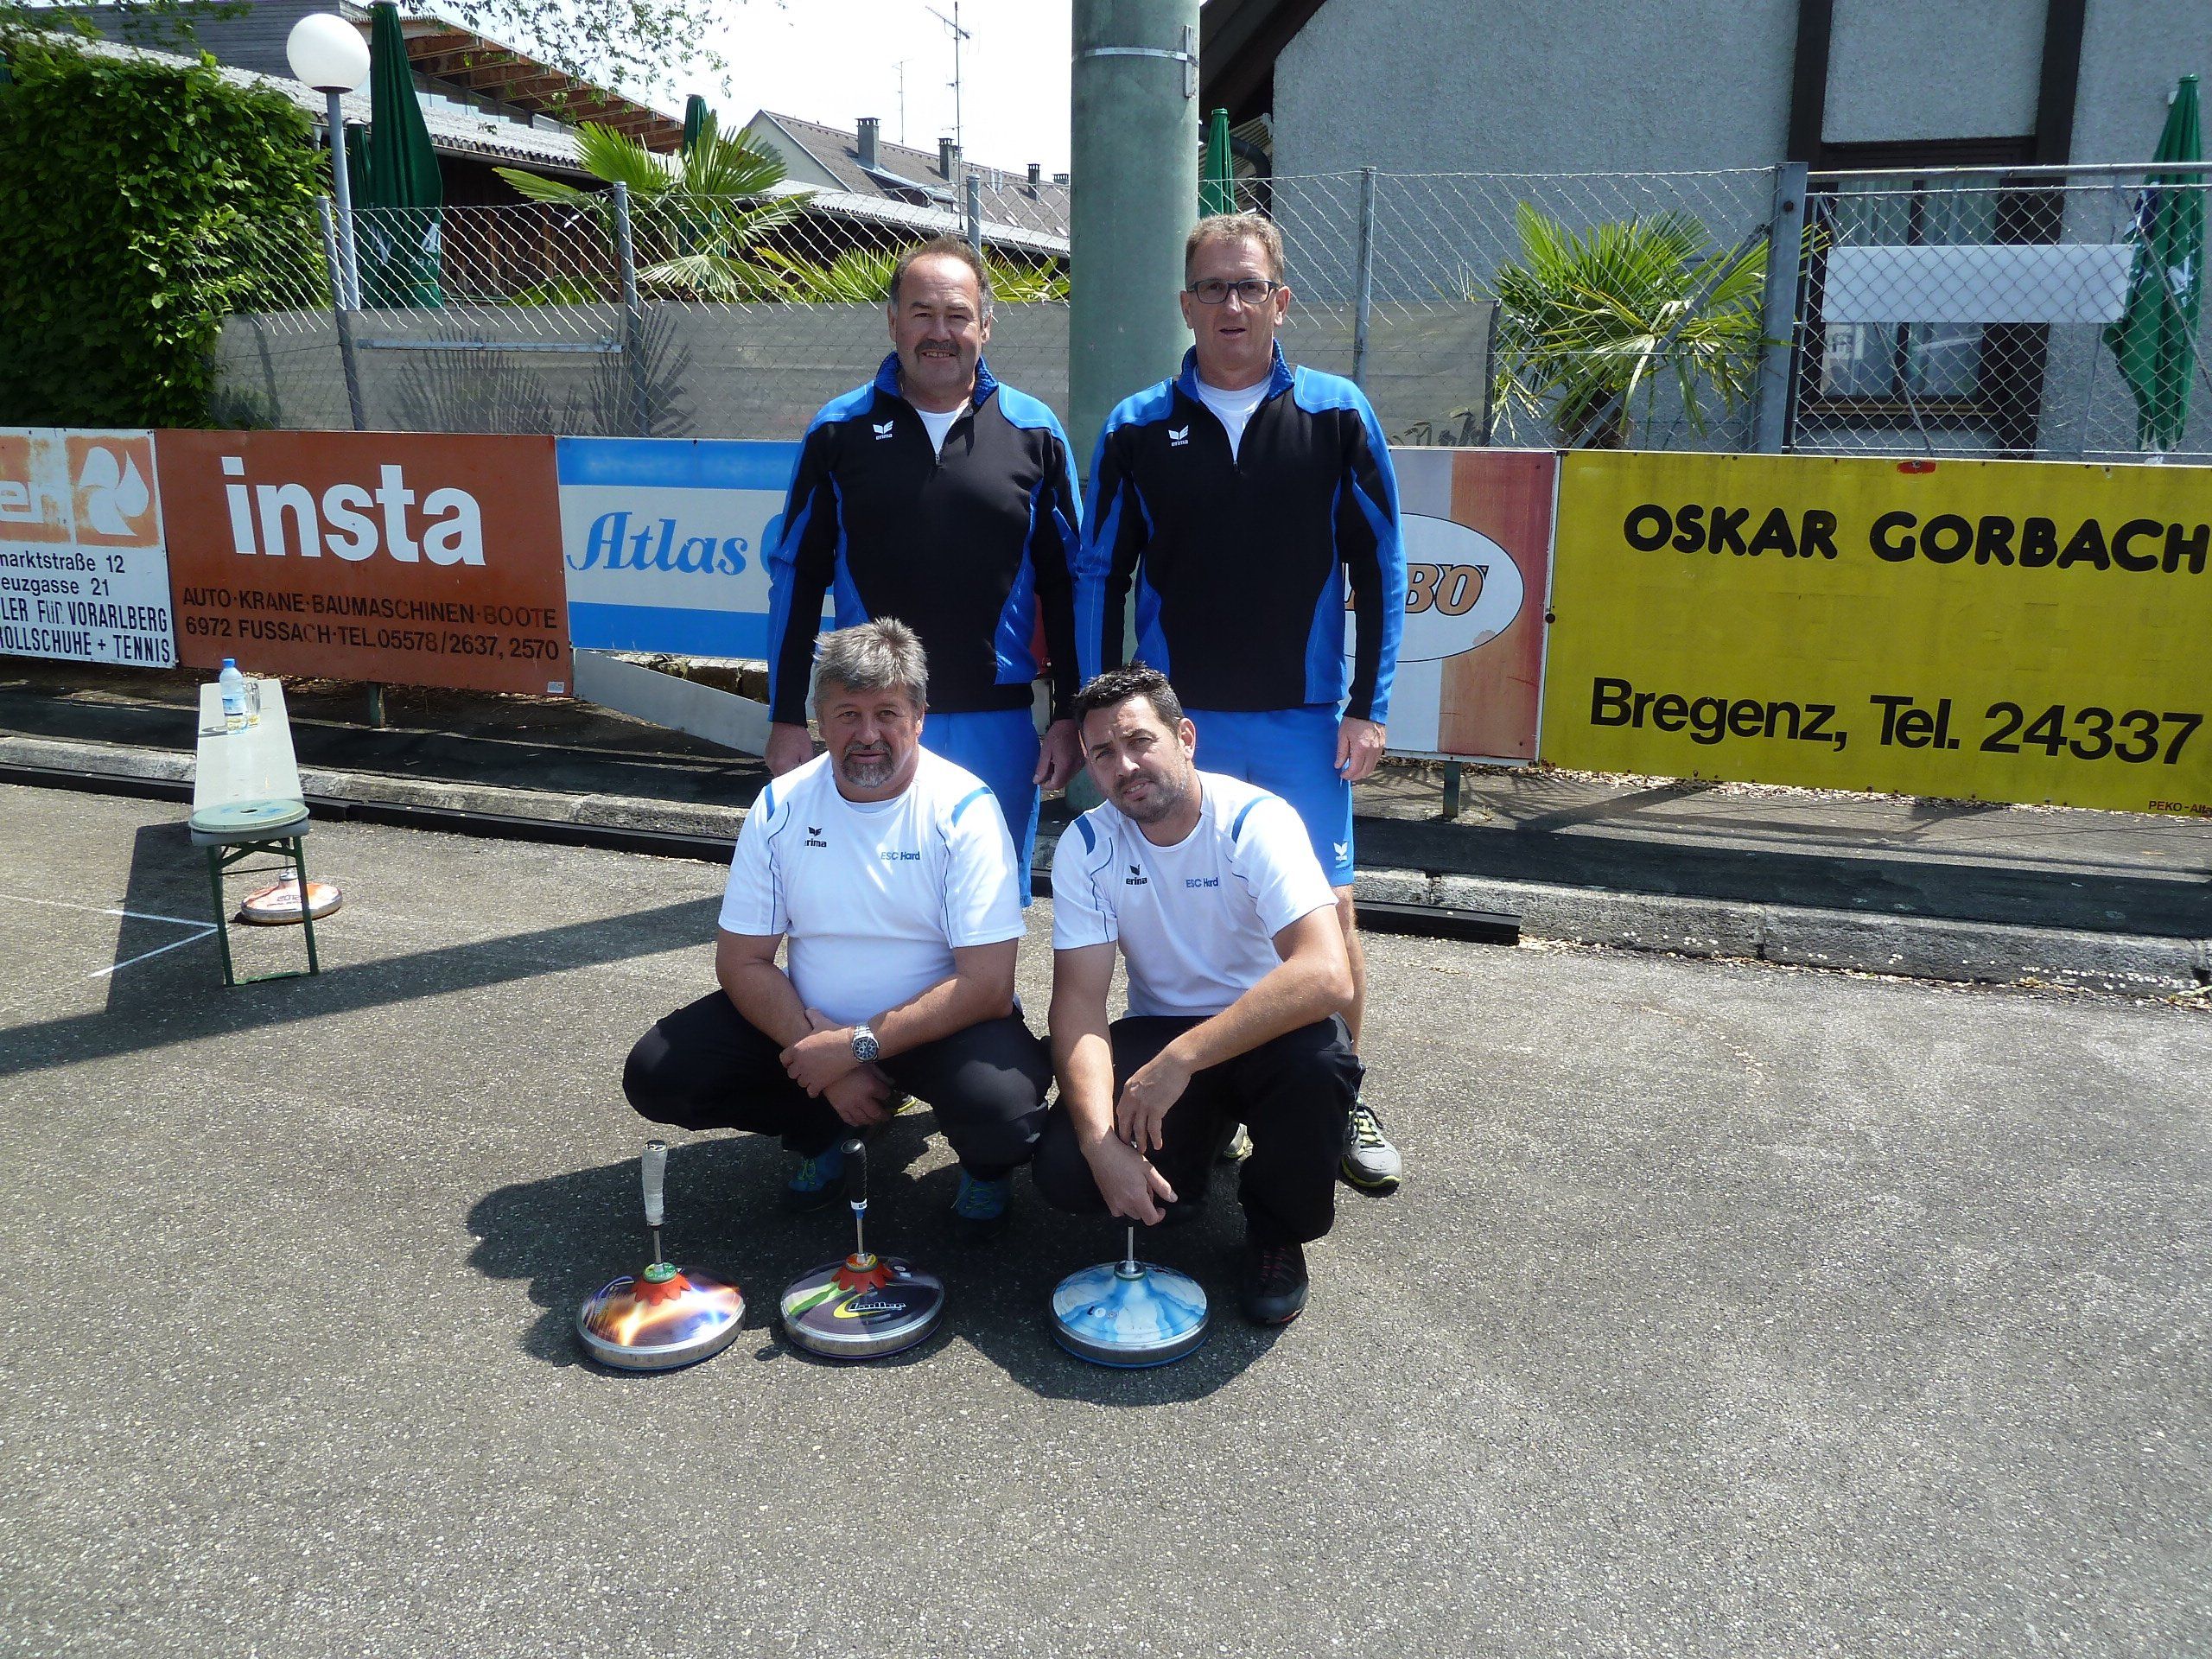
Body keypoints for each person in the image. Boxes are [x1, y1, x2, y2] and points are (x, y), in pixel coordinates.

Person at [1077, 210, 1408, 1196]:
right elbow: (1100, 574)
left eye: (1249, 285)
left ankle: (1340, 1097)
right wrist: (1092, 713)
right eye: (1213, 287)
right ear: (1186, 304)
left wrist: (1367, 705)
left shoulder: (1338, 412)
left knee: (1328, 912)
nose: (1231, 303)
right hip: (1182, 729)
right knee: (1192, 910)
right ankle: (1210, 1093)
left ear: (1280, 300)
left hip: (1306, 720)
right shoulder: (1137, 425)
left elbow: (1381, 564)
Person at [624, 620, 1050, 1236]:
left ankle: (984, 1169)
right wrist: (827, 1059)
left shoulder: (964, 809)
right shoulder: (781, 805)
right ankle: (824, 1129)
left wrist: (856, 1048)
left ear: (919, 717)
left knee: (1004, 1116)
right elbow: (742, 961)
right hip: (813, 1020)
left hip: (940, 1029)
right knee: (659, 1073)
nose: (868, 734)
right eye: (848, 714)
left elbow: (986, 986)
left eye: (887, 713)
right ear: (820, 719)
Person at [1032, 666, 1363, 1325]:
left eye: (1140, 741)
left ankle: (1276, 1234)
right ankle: (1200, 1140)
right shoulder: (1087, 843)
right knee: (1067, 1175)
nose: (1125, 766)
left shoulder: (1256, 820)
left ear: (1184, 737)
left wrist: (1181, 1061)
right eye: (1103, 753)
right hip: (1162, 1027)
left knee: (1319, 1064)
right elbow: (1078, 1005)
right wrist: (1099, 1144)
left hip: (1270, 1027)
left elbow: (1326, 975)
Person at [762, 234, 1084, 899]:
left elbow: (1068, 586)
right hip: (873, 724)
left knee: (987, 914)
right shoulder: (837, 432)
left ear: (985, 326)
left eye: (957, 315)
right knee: (874, 907)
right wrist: (787, 717)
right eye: (922, 313)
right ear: (893, 322)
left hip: (997, 726)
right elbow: (797, 581)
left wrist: (1069, 716)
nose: (940, 333)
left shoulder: (1036, 432)